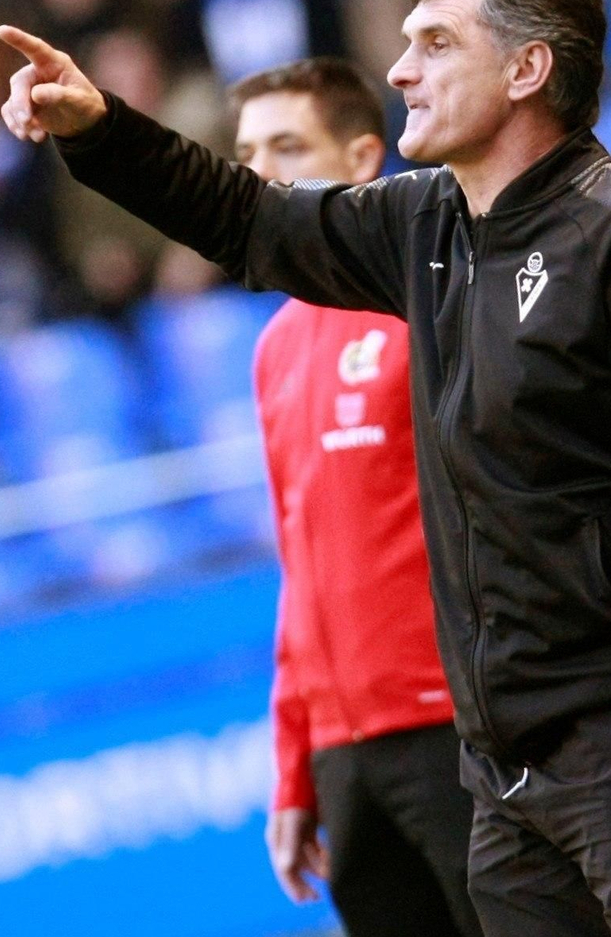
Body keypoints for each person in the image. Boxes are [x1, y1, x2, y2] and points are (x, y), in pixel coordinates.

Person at [0, 0, 611, 937]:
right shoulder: (424, 225)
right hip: (503, 773)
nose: (400, 70)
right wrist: (100, 129)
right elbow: (247, 219)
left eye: (436, 43)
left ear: (527, 68)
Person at [238, 58, 479, 937]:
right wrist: (295, 767)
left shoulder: (433, 297)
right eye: (247, 153)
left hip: (455, 725)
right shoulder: (274, 345)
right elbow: (299, 565)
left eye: (288, 146)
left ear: (363, 157)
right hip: (345, 754)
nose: (260, 173)